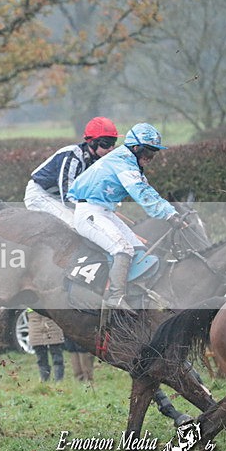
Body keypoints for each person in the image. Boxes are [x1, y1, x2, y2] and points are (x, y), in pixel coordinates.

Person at [67, 123, 184, 312]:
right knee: (122, 249)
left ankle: (135, 291)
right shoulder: (123, 162)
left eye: (154, 153)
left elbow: (147, 190)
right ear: (135, 147)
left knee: (139, 249)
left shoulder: (129, 161)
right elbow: (142, 192)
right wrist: (169, 214)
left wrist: (168, 211)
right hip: (89, 212)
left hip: (104, 211)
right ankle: (115, 297)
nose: (151, 157)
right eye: (148, 152)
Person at [24, 117, 121, 225]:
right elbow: (67, 196)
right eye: (106, 143)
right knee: (74, 223)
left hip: (59, 197)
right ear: (92, 142)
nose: (111, 149)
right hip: (40, 195)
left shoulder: (98, 161)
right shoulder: (73, 156)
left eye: (113, 143)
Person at [28, 310, 65, 382]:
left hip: (51, 316)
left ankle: (58, 381)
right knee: (41, 358)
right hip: (35, 319)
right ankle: (45, 380)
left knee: (57, 357)